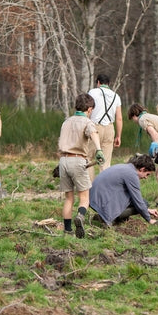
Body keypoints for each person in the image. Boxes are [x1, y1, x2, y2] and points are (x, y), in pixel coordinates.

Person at [59, 93, 104, 238]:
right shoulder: (87, 122)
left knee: (68, 198)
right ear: (89, 109)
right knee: (84, 198)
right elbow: (93, 133)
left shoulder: (66, 122)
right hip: (78, 160)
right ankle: (80, 216)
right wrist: (98, 150)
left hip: (63, 160)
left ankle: (67, 230)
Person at [88, 154, 158, 228]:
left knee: (144, 203)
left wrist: (147, 210)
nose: (146, 177)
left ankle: (110, 216)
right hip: (100, 200)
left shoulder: (126, 167)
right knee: (143, 203)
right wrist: (149, 219)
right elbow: (137, 200)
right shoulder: (132, 175)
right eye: (147, 174)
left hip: (93, 198)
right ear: (142, 169)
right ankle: (110, 218)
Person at [127, 102, 158, 211]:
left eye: (132, 119)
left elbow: (154, 134)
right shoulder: (148, 116)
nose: (134, 122)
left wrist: (157, 152)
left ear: (134, 115)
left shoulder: (142, 119)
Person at [88, 74, 122, 173]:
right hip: (109, 129)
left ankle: (89, 187)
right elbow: (119, 118)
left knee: (88, 158)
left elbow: (88, 110)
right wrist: (118, 136)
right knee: (105, 162)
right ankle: (104, 187)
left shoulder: (92, 92)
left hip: (94, 127)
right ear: (109, 83)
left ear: (98, 82)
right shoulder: (116, 96)